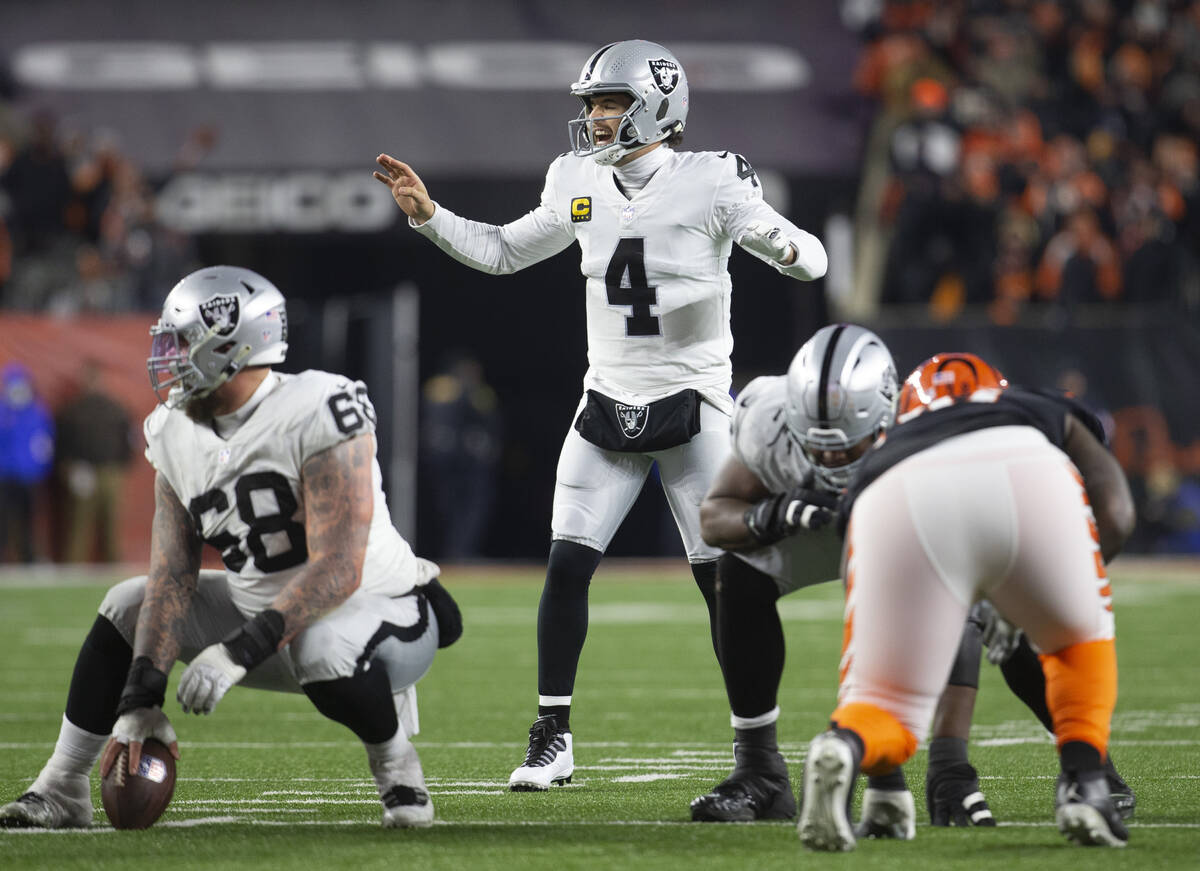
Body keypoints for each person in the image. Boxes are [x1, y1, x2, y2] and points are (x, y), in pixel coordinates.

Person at [374, 39, 828, 790]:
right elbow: (501, 252)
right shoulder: (575, 179)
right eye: (590, 103)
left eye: (608, 102)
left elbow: (809, 258)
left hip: (696, 403)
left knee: (726, 585)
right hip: (606, 399)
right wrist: (430, 218)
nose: (593, 117)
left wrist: (783, 246)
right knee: (567, 563)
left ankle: (759, 757)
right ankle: (553, 736)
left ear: (655, 105)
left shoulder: (712, 178)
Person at [0, 266, 462, 830]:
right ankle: (61, 786)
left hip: (377, 612)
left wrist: (238, 651)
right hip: (260, 621)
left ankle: (397, 768)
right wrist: (140, 699)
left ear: (229, 347)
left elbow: (340, 567)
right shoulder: (172, 429)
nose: (166, 358)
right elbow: (172, 576)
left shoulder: (319, 405)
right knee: (127, 602)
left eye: (180, 343)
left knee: (319, 644)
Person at [797, 353, 1135, 851]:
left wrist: (888, 786)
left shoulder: (883, 449)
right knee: (1075, 643)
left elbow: (860, 580)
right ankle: (1086, 782)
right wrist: (1060, 588)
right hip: (1024, 463)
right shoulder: (1034, 405)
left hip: (893, 489)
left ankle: (845, 743)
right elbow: (1118, 512)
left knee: (885, 704)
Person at [689, 324, 997, 832]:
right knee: (737, 569)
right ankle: (759, 769)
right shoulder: (767, 418)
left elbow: (964, 606)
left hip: (903, 525)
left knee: (985, 612)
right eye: (817, 446)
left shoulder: (924, 437)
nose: (831, 459)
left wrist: (950, 769)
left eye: (847, 449)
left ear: (884, 418)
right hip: (815, 523)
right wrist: (773, 515)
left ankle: (1076, 765)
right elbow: (715, 517)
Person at [54, 359, 133, 563]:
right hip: (83, 471)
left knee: (111, 525)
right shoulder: (72, 410)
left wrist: (121, 466)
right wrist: (70, 469)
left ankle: (113, 570)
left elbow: (129, 439)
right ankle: (73, 570)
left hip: (110, 471)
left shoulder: (115, 408)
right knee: (79, 526)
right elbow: (61, 444)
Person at [0, 362, 55, 563]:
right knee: (3, 521)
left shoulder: (38, 412)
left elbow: (45, 444)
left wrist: (41, 469)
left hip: (29, 476)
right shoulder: (2, 411)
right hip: (4, 476)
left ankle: (29, 559)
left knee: (29, 522)